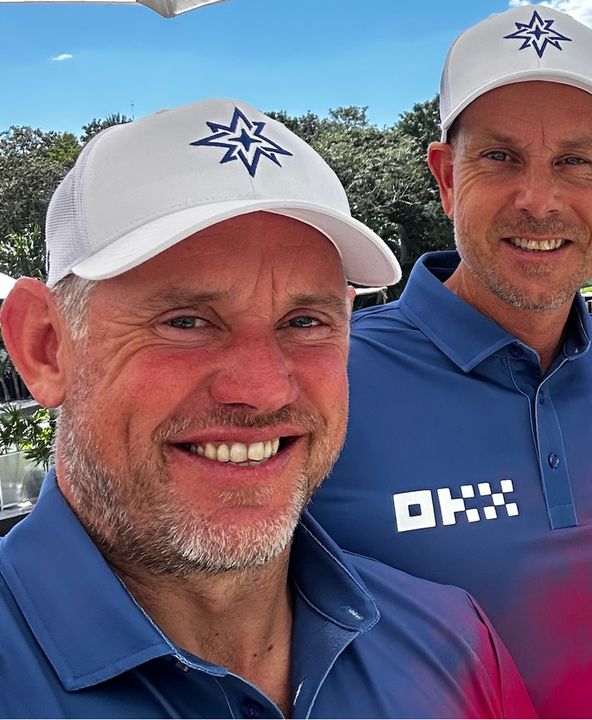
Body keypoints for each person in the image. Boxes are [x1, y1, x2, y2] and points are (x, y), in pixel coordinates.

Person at [0, 99, 535, 717]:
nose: (265, 389)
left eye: (305, 322)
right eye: (186, 321)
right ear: (44, 346)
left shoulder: (451, 645)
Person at [309, 6, 592, 718]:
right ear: (446, 178)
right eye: (500, 158)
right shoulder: (330, 379)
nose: (538, 201)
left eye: (573, 161)